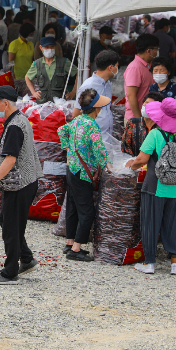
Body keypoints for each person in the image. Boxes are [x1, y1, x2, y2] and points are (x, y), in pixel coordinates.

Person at [0, 86, 43, 284]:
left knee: (11, 227)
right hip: (27, 181)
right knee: (8, 221)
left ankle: (10, 272)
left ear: (5, 103)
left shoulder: (14, 126)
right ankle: (26, 259)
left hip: (19, 184)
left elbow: (10, 160)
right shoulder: (20, 119)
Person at [126, 98, 176, 275]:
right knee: (173, 224)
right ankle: (175, 264)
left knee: (150, 223)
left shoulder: (155, 134)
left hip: (154, 187)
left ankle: (150, 263)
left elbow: (141, 159)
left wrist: (130, 166)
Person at [58, 90, 112, 262]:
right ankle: (76, 249)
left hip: (72, 169)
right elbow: (99, 148)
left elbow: (61, 130)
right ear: (96, 109)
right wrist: (107, 165)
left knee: (73, 207)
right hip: (83, 173)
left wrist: (68, 151)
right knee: (87, 211)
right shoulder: (91, 125)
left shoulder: (76, 120)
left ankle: (69, 242)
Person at [25, 36, 77, 104]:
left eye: (52, 46)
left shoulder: (64, 62)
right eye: (46, 47)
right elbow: (27, 77)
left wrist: (73, 92)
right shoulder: (37, 64)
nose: (50, 49)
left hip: (59, 103)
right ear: (41, 48)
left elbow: (78, 74)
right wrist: (33, 92)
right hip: (42, 103)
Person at [124, 34, 159, 120]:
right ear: (149, 51)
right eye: (156, 49)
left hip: (148, 117)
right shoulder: (135, 67)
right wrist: (138, 119)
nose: (157, 52)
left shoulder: (149, 66)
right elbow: (131, 95)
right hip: (136, 118)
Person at [121, 92, 164, 157]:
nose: (146, 105)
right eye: (145, 102)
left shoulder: (162, 126)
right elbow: (126, 147)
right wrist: (131, 161)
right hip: (135, 163)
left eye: (150, 104)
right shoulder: (133, 123)